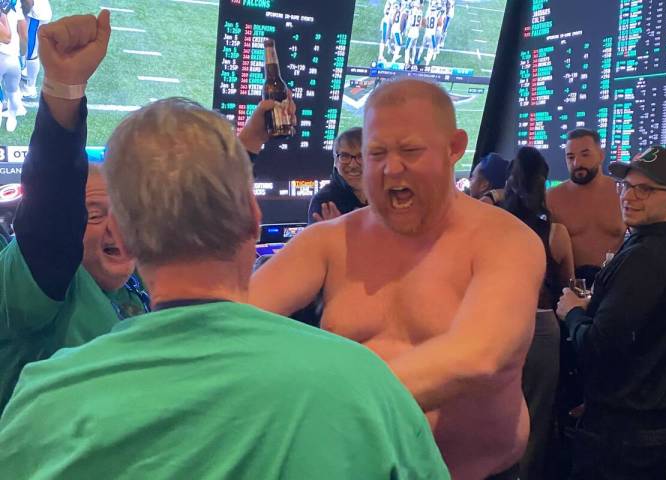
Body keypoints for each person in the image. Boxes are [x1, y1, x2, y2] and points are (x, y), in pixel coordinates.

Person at [0, 13, 450, 479]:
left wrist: (65, 90)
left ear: (132, 232)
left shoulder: (45, 401)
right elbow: (49, 233)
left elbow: (176, 198)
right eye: (89, 215)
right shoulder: (368, 388)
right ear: (255, 222)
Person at [251, 78, 545, 480]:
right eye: (376, 153)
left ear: (454, 148)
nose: (391, 168)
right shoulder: (330, 240)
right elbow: (232, 318)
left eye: (410, 150)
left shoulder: (506, 241)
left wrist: (325, 408)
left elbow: (479, 355)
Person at [0, 9, 285, 414]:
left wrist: (248, 144)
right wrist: (64, 88)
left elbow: (190, 203)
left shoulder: (142, 278)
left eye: (126, 212)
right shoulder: (36, 292)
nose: (118, 228)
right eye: (93, 215)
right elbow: (52, 221)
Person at [556, 146, 666, 479]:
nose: (629, 196)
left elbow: (598, 347)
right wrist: (596, 307)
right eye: (626, 185)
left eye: (646, 189)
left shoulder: (647, 256)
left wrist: (572, 313)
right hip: (664, 422)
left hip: (625, 437)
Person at [502, 146, 574, 480]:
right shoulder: (555, 232)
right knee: (537, 411)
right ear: (543, 183)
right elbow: (568, 283)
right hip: (543, 324)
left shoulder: (494, 226)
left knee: (497, 409)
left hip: (499, 323)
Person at [547, 128, 625, 287]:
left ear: (601, 156)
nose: (577, 163)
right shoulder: (551, 197)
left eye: (585, 154)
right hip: (570, 288)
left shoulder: (623, 193)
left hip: (614, 285)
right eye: (570, 157)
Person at [308, 127, 367, 223]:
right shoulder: (325, 201)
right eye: (344, 156)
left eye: (361, 156)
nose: (353, 165)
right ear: (335, 161)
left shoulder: (386, 195)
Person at [20, 0, 51, 100]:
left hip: (35, 16)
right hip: (35, 12)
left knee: (31, 52)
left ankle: (30, 88)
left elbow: (29, 3)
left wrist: (22, 15)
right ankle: (25, 72)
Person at [0, 0, 24, 132]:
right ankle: (12, 116)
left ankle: (12, 116)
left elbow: (7, 38)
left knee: (11, 93)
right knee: (12, 93)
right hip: (11, 57)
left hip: (8, 57)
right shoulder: (14, 7)